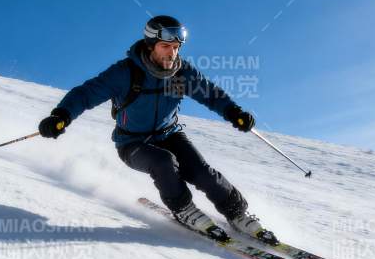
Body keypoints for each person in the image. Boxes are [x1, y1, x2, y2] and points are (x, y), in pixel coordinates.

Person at [37, 15, 273, 242]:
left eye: (177, 47)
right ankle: (184, 209)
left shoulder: (181, 73)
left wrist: (234, 112)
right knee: (163, 162)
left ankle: (237, 212)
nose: (173, 53)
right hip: (132, 143)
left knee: (201, 172)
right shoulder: (126, 72)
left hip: (169, 134)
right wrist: (62, 115)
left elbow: (211, 95)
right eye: (165, 46)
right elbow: (86, 93)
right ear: (151, 45)